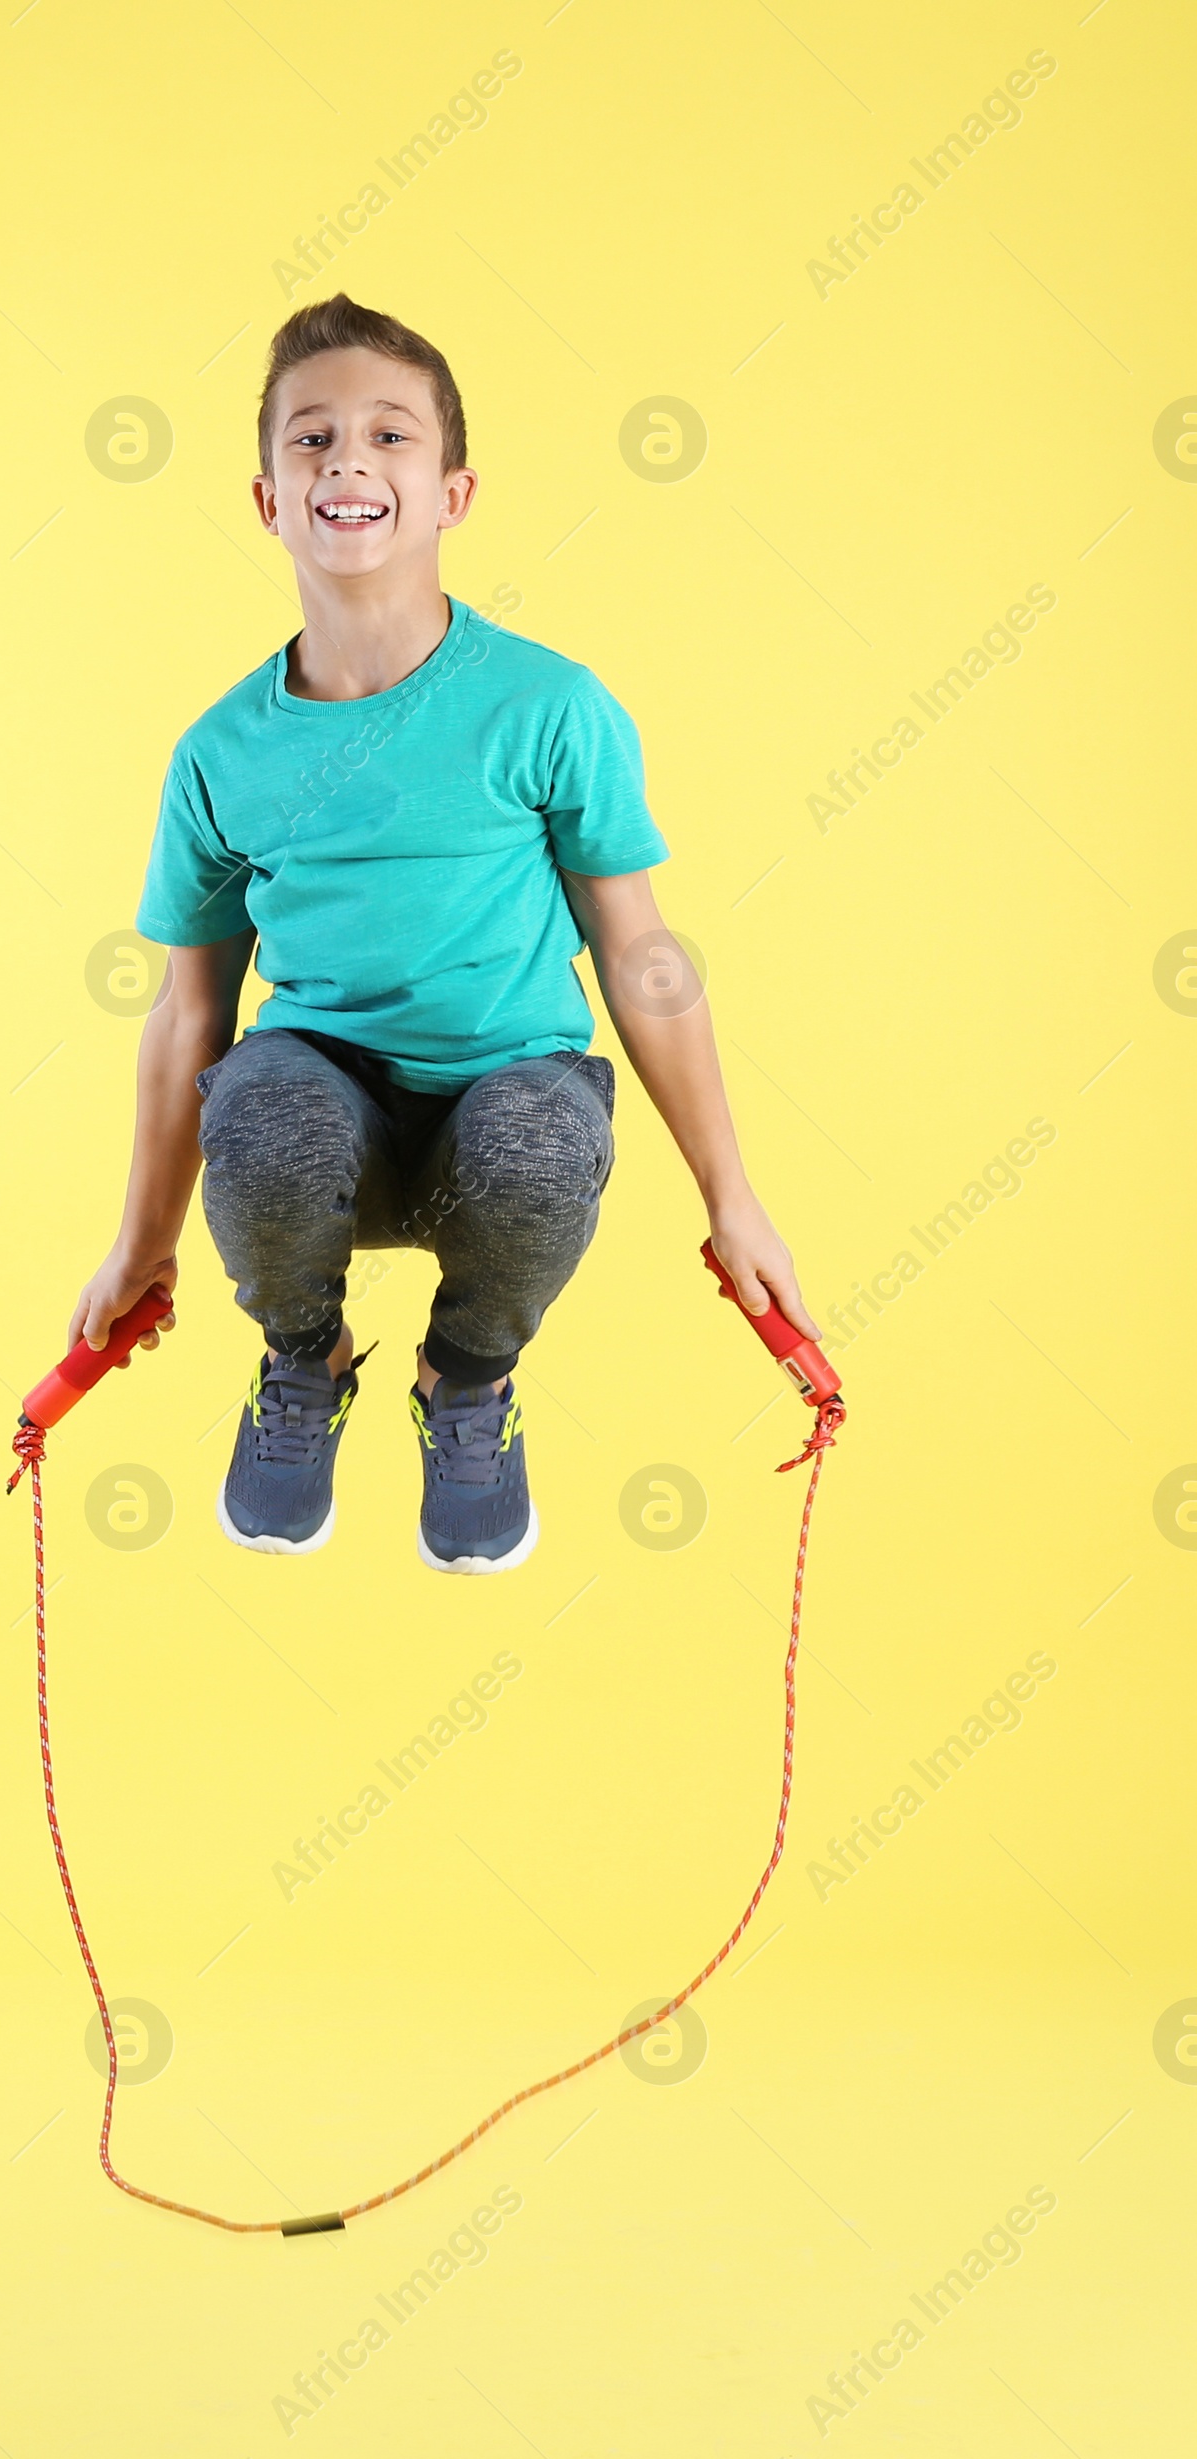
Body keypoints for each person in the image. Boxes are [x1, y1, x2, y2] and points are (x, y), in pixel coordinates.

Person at [70, 293, 820, 1574]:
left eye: (388, 436)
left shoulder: (549, 706)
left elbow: (641, 959)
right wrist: (140, 1243)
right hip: (323, 1132)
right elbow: (187, 1014)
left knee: (535, 1136)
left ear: (452, 492)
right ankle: (304, 1364)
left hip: (507, 1109)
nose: (347, 461)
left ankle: (465, 1377)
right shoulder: (218, 753)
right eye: (309, 440)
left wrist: (733, 1194)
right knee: (252, 1095)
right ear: (266, 499)